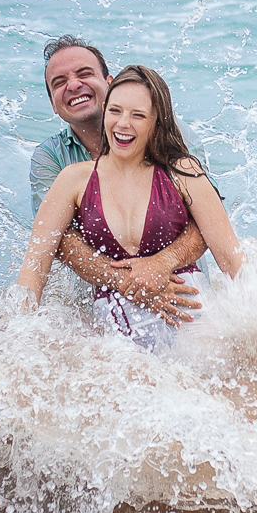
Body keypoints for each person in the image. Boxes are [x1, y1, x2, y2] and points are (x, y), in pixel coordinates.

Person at [18, 65, 245, 348]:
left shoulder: (183, 171)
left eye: (137, 115)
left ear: (156, 121)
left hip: (194, 328)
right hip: (117, 354)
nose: (123, 124)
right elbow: (34, 269)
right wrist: (17, 342)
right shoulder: (72, 180)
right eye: (115, 111)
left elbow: (233, 263)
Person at [29, 36, 207, 325]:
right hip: (101, 307)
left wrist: (160, 266)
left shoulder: (171, 135)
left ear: (111, 84)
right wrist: (129, 282)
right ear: (52, 104)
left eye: (84, 74)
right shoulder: (51, 158)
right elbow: (57, 239)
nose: (73, 85)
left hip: (184, 292)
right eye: (59, 82)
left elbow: (205, 222)